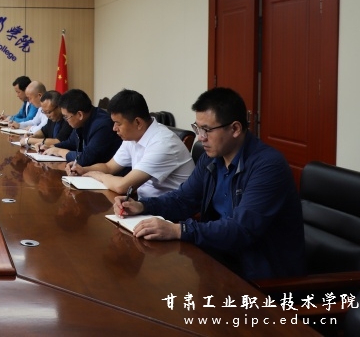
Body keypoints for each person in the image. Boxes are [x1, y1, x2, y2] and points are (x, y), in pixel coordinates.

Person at [113, 87, 305, 281]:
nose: (200, 137)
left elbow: (242, 230)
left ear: (235, 129)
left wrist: (179, 230)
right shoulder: (211, 159)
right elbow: (183, 199)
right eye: (197, 128)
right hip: (217, 260)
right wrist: (142, 206)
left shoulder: (268, 166)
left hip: (260, 278)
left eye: (207, 130)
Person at [66, 89, 193, 197]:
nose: (114, 128)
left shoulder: (163, 143)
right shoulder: (133, 136)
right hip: (143, 203)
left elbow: (123, 186)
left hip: (169, 211)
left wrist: (98, 175)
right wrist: (82, 170)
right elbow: (109, 167)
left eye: (118, 123)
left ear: (138, 122)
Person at [43, 89, 121, 167]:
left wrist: (59, 152)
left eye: (66, 117)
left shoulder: (102, 125)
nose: (66, 121)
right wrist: (51, 147)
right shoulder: (82, 121)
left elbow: (86, 159)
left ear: (80, 115)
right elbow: (71, 143)